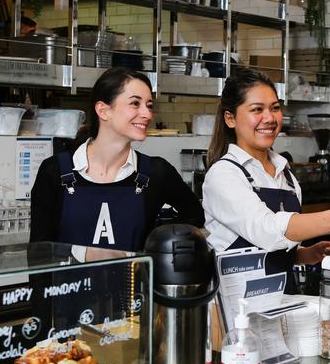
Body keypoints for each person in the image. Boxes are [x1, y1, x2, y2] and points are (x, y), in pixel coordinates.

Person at [202, 68, 330, 293]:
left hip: (284, 300)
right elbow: (265, 230)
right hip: (237, 307)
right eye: (257, 109)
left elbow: (274, 252)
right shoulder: (224, 174)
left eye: (275, 108)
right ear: (230, 118)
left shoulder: (285, 173)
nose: (269, 118)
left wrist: (308, 254)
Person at [30, 67, 204, 252]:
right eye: (135, 103)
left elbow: (195, 216)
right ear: (103, 111)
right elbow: (39, 253)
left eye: (149, 105)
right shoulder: (55, 171)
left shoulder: (156, 172)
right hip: (69, 282)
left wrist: (153, 246)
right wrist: (85, 255)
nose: (147, 114)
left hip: (133, 281)